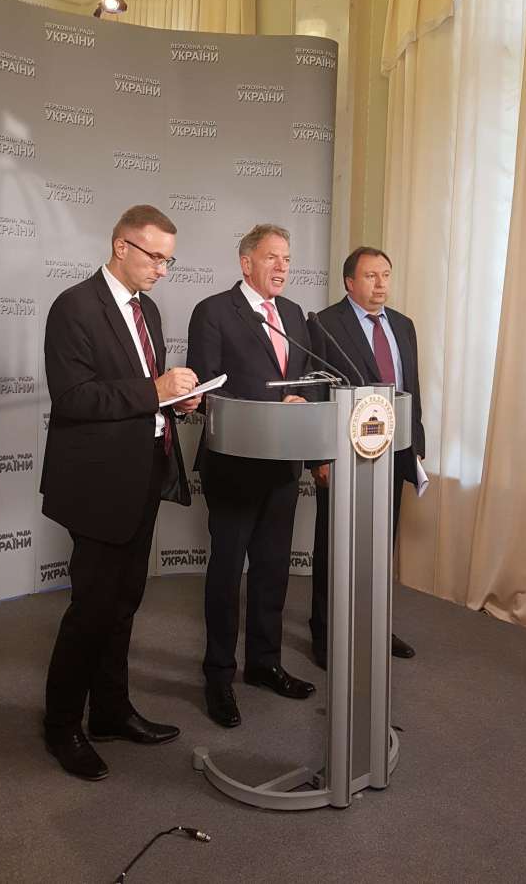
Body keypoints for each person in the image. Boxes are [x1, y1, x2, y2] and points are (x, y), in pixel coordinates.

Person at [40, 204, 201, 780]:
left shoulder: (148, 309)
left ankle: (109, 711)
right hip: (95, 485)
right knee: (91, 610)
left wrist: (175, 399)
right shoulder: (74, 306)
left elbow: (143, 395)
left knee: (125, 602)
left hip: (143, 476)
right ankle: (62, 726)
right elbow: (73, 398)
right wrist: (154, 389)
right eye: (155, 256)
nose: (162, 269)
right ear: (121, 247)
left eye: (169, 260)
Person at [187, 224, 317, 728]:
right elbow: (208, 387)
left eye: (287, 258)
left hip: (283, 464)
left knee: (273, 568)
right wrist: (271, 407)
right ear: (246, 263)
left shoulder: (295, 315)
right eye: (272, 257)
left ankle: (264, 663)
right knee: (227, 571)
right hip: (234, 464)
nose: (282, 267)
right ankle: (219, 675)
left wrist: (303, 399)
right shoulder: (214, 311)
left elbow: (305, 380)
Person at [308, 246, 425, 667]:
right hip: (343, 453)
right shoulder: (323, 323)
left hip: (393, 449)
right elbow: (315, 391)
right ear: (350, 282)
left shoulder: (403, 325)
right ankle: (325, 633)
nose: (381, 284)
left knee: (381, 545)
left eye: (386, 275)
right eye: (371, 276)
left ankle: (376, 626)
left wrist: (416, 447)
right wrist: (318, 457)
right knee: (333, 545)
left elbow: (411, 387)